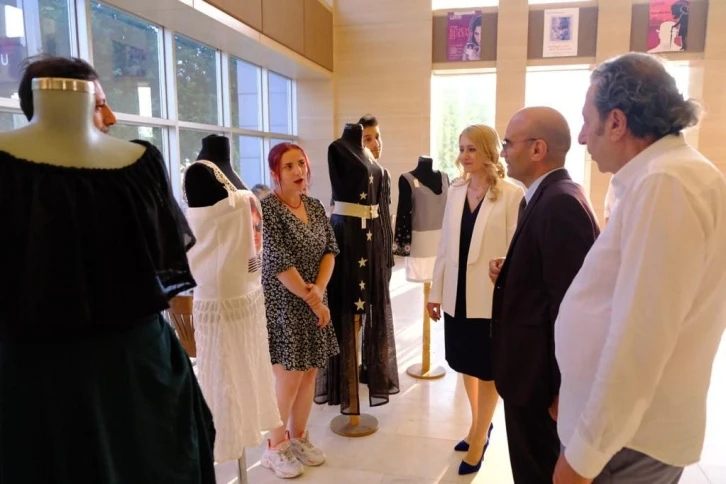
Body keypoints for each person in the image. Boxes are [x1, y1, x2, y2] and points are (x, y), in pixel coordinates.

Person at [0, 56, 215, 483]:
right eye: (101, 103)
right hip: (36, 382)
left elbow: (162, 264)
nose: (113, 117)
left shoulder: (142, 163)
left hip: (142, 375)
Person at [554, 53, 726, 484]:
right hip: (623, 434)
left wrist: (584, 455)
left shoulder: (666, 183)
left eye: (587, 121)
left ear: (616, 122)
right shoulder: (662, 176)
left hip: (625, 445)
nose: (582, 136)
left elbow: (641, 338)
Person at [488, 107, 599, 484]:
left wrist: (563, 389)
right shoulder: (544, 197)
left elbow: (572, 308)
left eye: (508, 143)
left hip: (539, 384)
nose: (503, 152)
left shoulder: (560, 204)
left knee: (536, 471)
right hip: (528, 375)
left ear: (537, 149)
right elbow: (549, 277)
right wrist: (514, 270)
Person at [427, 125, 523, 475]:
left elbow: (516, 250)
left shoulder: (511, 194)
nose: (464, 156)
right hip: (456, 294)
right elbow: (444, 245)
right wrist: (435, 293)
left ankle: (479, 438)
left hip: (489, 297)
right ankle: (478, 425)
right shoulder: (455, 191)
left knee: (487, 369)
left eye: (472, 149)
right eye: (461, 148)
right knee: (465, 363)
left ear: (488, 151)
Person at [260, 142, 340, 479]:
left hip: (314, 300)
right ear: (275, 173)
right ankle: (274, 447)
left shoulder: (314, 206)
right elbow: (278, 263)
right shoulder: (268, 209)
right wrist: (315, 301)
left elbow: (330, 251)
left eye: (301, 164)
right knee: (289, 377)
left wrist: (319, 290)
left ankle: (298, 438)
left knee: (309, 373)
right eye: (288, 166)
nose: (298, 171)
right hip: (285, 305)